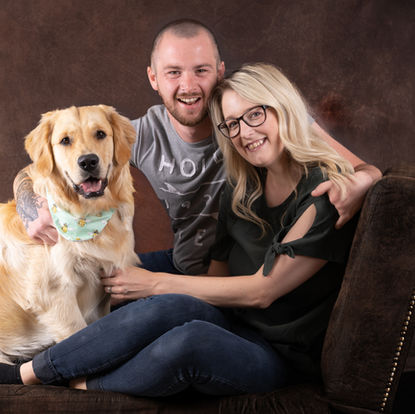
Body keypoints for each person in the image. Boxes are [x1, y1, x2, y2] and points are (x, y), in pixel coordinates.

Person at [2, 63, 360, 394]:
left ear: (285, 111)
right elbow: (217, 280)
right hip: (234, 319)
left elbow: (263, 292)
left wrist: (156, 283)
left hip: (281, 354)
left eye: (256, 115)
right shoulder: (241, 190)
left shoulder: (327, 194)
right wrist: (28, 196)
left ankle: (50, 378)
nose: (245, 133)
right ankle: (48, 368)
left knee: (189, 341)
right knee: (165, 308)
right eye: (232, 124)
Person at [13, 19, 380, 281]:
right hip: (183, 267)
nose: (188, 86)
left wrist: (361, 183)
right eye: (173, 72)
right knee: (95, 290)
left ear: (220, 72)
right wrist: (32, 211)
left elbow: (364, 169)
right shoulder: (137, 135)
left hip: (240, 276)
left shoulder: (255, 125)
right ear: (153, 78)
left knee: (137, 318)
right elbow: (29, 175)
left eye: (200, 70)